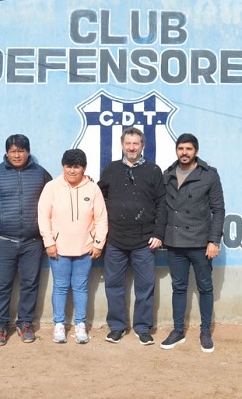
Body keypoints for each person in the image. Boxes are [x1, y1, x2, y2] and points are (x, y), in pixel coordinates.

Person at [0, 134, 52, 346]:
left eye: (21, 151)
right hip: (3, 241)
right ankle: (0, 326)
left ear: (28, 152)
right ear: (7, 153)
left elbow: (55, 198)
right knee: (2, 286)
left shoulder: (40, 173)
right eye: (13, 151)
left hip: (32, 242)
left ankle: (25, 323)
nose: (17, 155)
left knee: (30, 284)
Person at [98, 127, 167, 345]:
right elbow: (99, 198)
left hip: (144, 241)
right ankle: (117, 327)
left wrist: (158, 233)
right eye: (128, 143)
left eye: (136, 143)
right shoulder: (111, 169)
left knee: (145, 286)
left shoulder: (153, 171)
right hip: (115, 240)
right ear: (122, 145)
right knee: (113, 285)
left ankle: (143, 327)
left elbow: (162, 204)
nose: (131, 148)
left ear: (142, 146)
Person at [159, 133, 225, 353]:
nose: (184, 153)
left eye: (188, 149)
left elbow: (218, 210)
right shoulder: (167, 174)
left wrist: (214, 240)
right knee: (178, 288)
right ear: (176, 151)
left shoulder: (209, 175)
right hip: (175, 242)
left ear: (196, 151)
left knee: (205, 287)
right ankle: (178, 331)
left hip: (200, 242)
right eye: (181, 149)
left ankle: (205, 332)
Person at [37, 149, 108, 344]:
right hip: (58, 249)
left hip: (85, 249)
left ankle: (80, 325)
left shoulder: (92, 189)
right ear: (63, 166)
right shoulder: (52, 187)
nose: (72, 171)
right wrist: (49, 242)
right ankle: (59, 325)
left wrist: (98, 244)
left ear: (84, 168)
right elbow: (43, 217)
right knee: (60, 287)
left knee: (81, 287)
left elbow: (101, 218)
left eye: (76, 167)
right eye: (68, 166)